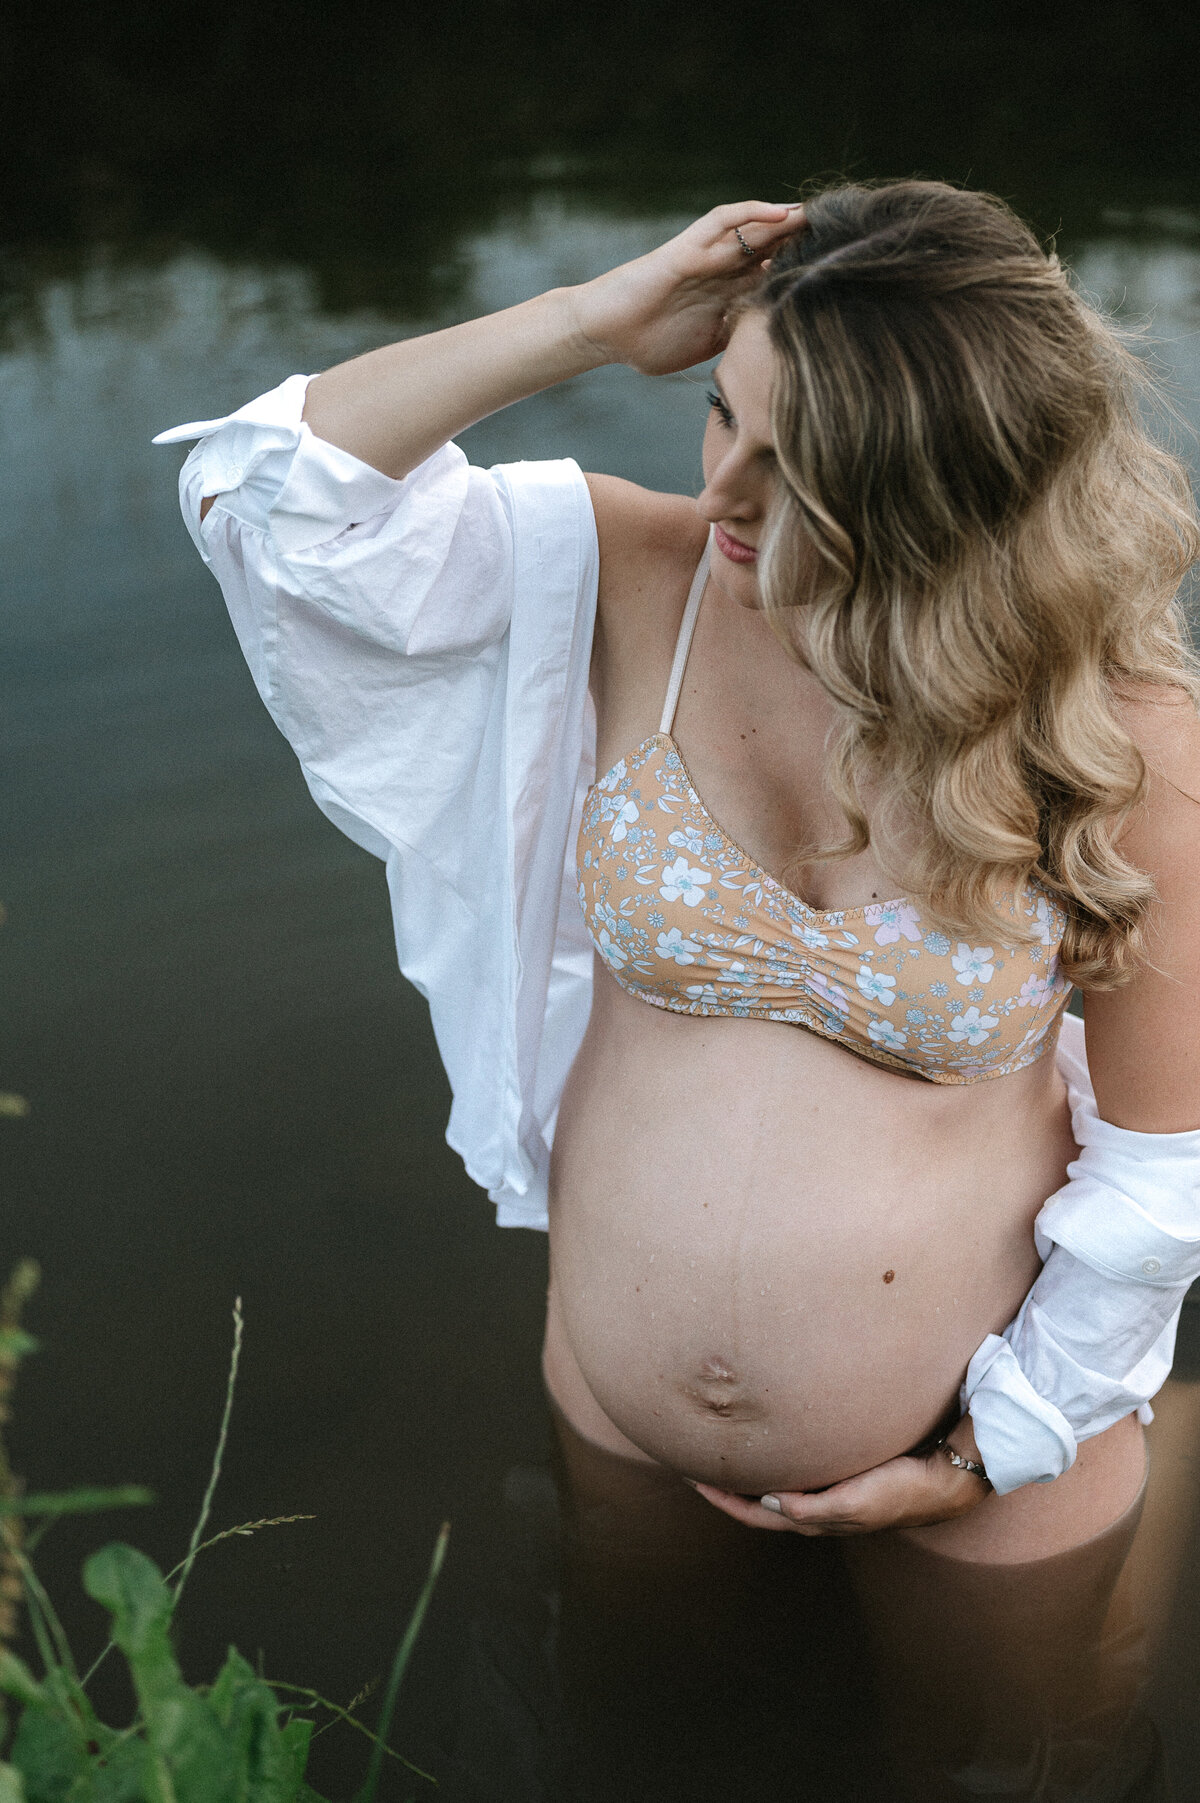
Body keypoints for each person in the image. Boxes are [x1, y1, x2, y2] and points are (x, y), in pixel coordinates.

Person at [157, 181, 1200, 1793]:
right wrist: (590, 318)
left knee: (1004, 1768)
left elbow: (1160, 1167)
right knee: (648, 1749)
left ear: (960, 490)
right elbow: (276, 502)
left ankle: (1156, 1460)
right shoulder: (633, 576)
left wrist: (1003, 1444)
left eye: (805, 472)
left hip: (988, 1457)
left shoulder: (1120, 740)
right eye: (725, 412)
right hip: (625, 1425)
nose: (723, 487)